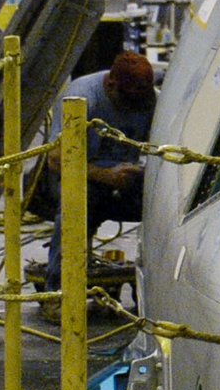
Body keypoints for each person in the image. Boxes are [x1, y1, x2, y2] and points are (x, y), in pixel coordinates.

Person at [41, 51, 157, 294]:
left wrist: (141, 171)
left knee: (163, 205)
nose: (131, 107)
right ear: (111, 84)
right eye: (126, 100)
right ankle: (59, 291)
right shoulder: (82, 96)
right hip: (78, 176)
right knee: (76, 205)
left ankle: (152, 290)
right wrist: (106, 176)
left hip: (125, 178)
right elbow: (56, 160)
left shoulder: (150, 101)